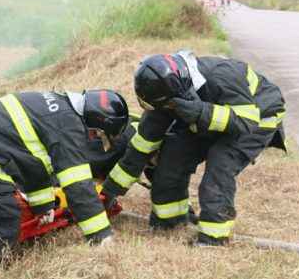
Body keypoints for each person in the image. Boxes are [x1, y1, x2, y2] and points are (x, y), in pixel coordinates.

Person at [0, 89, 131, 279]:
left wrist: (42, 206)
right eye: (97, 135)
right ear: (96, 123)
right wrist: (101, 235)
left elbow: (34, 165)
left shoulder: (59, 108)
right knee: (2, 222)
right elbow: (78, 186)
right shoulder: (68, 127)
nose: (93, 139)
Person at [101, 50, 286, 247]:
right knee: (171, 158)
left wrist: (199, 112)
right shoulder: (165, 96)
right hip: (202, 115)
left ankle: (213, 239)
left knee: (220, 164)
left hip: (256, 119)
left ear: (178, 94)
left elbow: (245, 121)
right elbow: (140, 148)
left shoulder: (221, 75)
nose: (164, 109)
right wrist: (109, 193)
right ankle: (171, 221)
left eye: (168, 104)